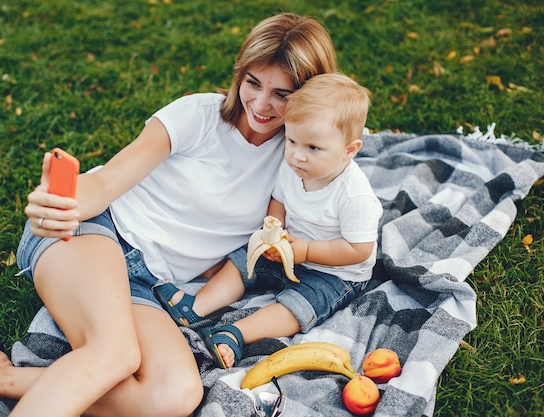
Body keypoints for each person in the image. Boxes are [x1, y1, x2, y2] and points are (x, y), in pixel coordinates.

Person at [0, 13, 337, 417]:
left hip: (152, 284)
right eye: (252, 83)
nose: (260, 103)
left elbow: (322, 222)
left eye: (282, 94)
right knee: (113, 355)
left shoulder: (297, 159)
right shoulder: (196, 117)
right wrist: (61, 204)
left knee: (175, 395)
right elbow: (108, 182)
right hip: (96, 233)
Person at [155, 73, 383, 369]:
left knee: (299, 306)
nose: (298, 156)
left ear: (349, 151)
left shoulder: (353, 195)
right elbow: (279, 202)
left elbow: (358, 249)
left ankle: (236, 333)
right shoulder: (292, 169)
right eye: (291, 141)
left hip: (336, 273)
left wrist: (308, 252)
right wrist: (273, 230)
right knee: (243, 260)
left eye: (313, 148)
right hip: (292, 250)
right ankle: (195, 307)